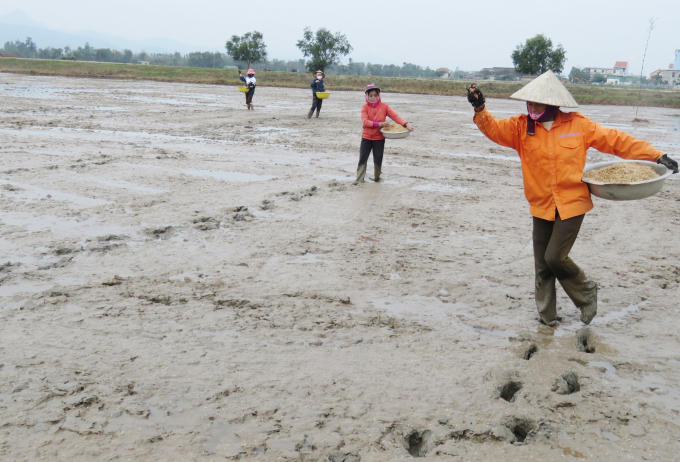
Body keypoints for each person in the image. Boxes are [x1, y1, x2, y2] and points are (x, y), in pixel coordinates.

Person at [466, 70, 678, 327]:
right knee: (542, 264)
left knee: (555, 257)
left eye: (538, 102)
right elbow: (493, 129)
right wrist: (480, 107)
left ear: (553, 103)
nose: (532, 106)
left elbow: (616, 141)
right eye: (529, 102)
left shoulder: (578, 125)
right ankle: (547, 318)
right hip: (541, 204)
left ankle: (587, 294)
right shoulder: (520, 127)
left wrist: (656, 155)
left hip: (572, 202)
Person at [357, 83, 414, 183]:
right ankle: (359, 179)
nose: (373, 97)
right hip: (366, 137)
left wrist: (406, 124)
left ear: (378, 95)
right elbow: (365, 122)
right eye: (371, 95)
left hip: (379, 138)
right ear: (367, 96)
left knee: (378, 159)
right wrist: (380, 124)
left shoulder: (384, 106)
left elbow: (395, 116)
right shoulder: (364, 107)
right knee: (363, 158)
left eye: (375, 95)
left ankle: (377, 178)